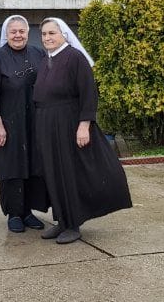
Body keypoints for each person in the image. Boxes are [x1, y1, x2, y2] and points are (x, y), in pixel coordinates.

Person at [33, 17, 132, 244]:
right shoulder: (46, 59)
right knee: (53, 172)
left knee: (69, 173)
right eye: (44, 34)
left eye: (52, 33)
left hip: (68, 124)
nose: (47, 38)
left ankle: (74, 224)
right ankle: (62, 221)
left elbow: (89, 93)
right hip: (48, 124)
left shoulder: (75, 58)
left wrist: (84, 125)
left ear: (64, 35)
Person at [0, 15, 49, 233]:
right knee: (12, 167)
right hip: (10, 123)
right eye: (14, 32)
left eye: (22, 31)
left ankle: (28, 211)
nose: (18, 35)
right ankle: (13, 214)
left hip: (35, 121)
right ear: (6, 34)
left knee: (33, 165)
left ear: (28, 33)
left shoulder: (39, 54)